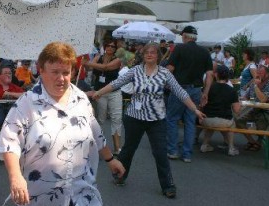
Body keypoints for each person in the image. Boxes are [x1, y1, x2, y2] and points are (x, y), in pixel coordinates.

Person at [0, 42, 125, 206]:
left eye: (66, 72)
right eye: (54, 71)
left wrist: (110, 160)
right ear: (41, 71)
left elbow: (95, 133)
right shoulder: (27, 103)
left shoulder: (80, 100)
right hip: (34, 191)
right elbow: (9, 141)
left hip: (75, 190)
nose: (61, 78)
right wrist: (15, 178)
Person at [93, 42, 205, 196]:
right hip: (134, 117)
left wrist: (195, 109)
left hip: (156, 119)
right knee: (128, 150)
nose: (149, 54)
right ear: (143, 55)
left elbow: (180, 92)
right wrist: (99, 92)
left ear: (158, 55)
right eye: (147, 52)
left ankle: (168, 186)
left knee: (160, 152)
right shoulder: (135, 71)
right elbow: (116, 83)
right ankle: (120, 175)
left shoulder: (165, 73)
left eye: (153, 52)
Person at [165, 25, 213, 163]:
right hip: (196, 89)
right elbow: (210, 74)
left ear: (185, 36)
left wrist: (167, 84)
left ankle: (173, 150)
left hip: (179, 88)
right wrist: (206, 92)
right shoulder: (204, 52)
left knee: (172, 119)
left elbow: (169, 69)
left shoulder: (179, 48)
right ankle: (187, 154)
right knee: (190, 121)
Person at [86, 40, 123, 154]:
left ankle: (117, 148)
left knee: (116, 119)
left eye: (113, 46)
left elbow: (106, 67)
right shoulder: (98, 57)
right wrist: (85, 63)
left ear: (116, 49)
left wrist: (88, 63)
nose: (110, 47)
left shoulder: (117, 60)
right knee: (99, 120)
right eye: (108, 45)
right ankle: (98, 146)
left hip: (114, 92)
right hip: (99, 92)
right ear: (105, 46)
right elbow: (89, 69)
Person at [200, 65, 242, 156]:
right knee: (232, 123)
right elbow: (236, 110)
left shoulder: (208, 88)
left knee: (212, 121)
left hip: (206, 120)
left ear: (216, 75)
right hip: (224, 121)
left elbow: (201, 103)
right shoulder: (232, 90)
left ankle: (205, 145)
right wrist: (240, 104)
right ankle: (231, 148)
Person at [235, 65, 269, 151]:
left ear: (267, 75)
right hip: (252, 109)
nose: (257, 75)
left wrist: (256, 86)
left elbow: (263, 100)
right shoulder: (253, 84)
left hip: (267, 112)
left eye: (260, 73)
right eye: (257, 73)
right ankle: (252, 141)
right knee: (237, 119)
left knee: (261, 124)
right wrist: (239, 99)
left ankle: (259, 141)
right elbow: (245, 97)